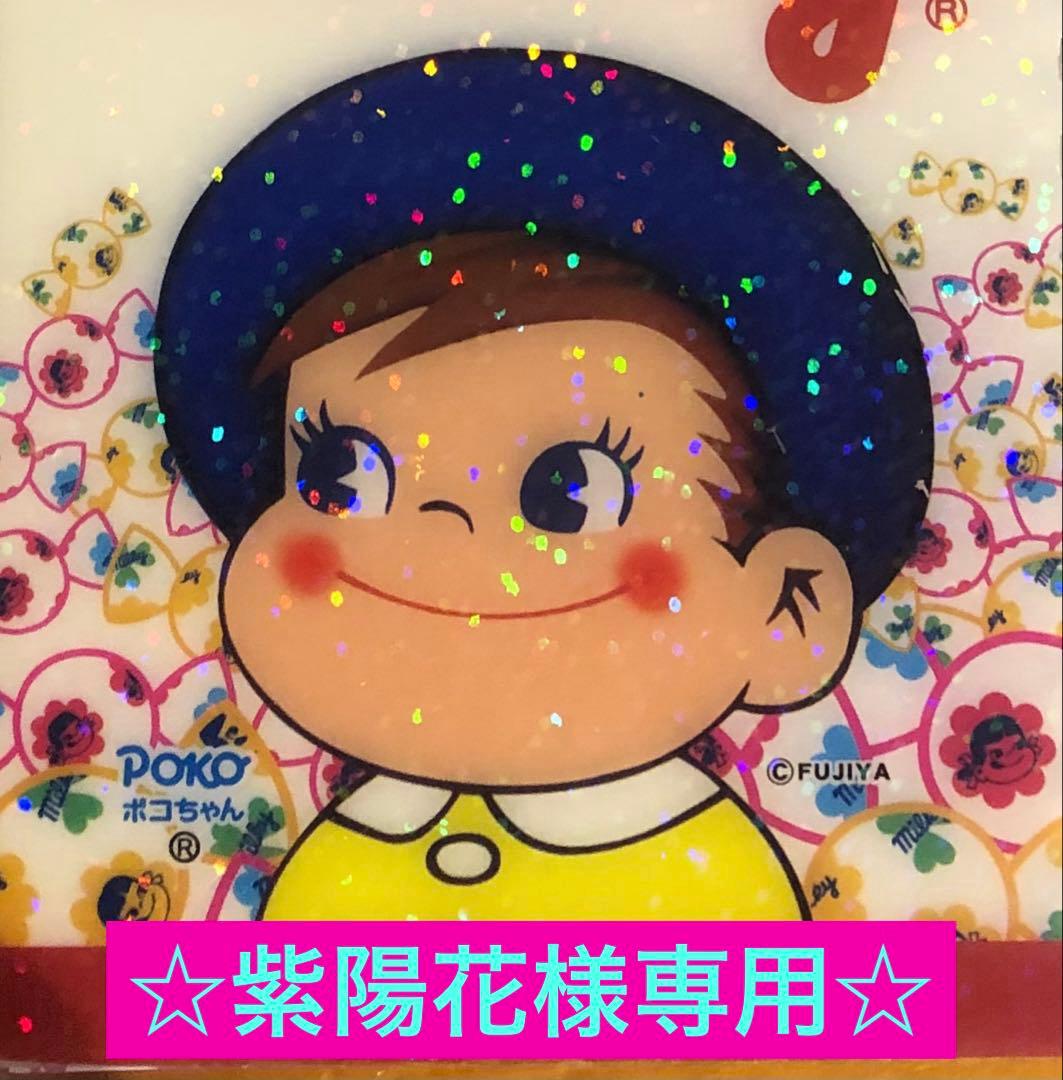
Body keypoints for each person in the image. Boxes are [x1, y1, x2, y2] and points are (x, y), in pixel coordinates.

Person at [154, 49, 931, 920]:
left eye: (570, 492)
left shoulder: (707, 884)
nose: (440, 529)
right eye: (340, 472)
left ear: (784, 610)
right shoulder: (350, 846)